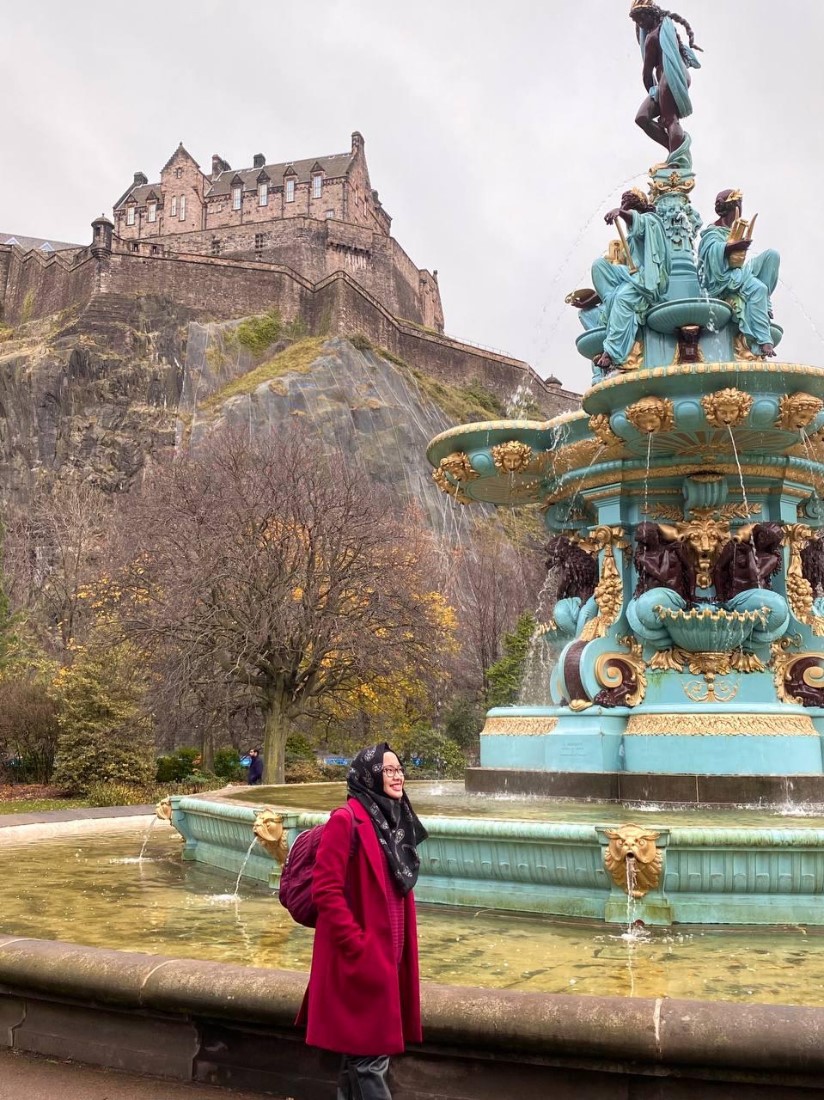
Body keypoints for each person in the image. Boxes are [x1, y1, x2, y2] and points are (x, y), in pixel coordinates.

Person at [297, 742, 428, 1099]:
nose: (397, 775)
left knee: (358, 1060)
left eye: (399, 769)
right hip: (360, 960)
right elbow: (326, 891)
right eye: (388, 770)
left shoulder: (394, 821)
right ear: (368, 774)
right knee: (370, 1061)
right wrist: (358, 945)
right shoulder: (347, 820)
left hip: (389, 957)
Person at [592, 189, 671, 370]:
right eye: (622, 202)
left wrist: (621, 213)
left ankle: (611, 353)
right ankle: (611, 301)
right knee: (599, 266)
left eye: (626, 202)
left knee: (623, 298)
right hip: (632, 274)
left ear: (636, 205)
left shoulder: (652, 222)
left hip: (648, 279)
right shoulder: (632, 233)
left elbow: (640, 223)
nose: (622, 205)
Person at [698, 189, 780, 358]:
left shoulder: (732, 229)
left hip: (738, 272)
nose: (740, 210)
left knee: (772, 256)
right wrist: (734, 247)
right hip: (723, 279)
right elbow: (709, 254)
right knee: (758, 289)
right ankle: (764, 341)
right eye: (738, 206)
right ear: (730, 208)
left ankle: (765, 303)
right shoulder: (712, 232)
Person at [629, 0, 702, 153]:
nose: (641, 24)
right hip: (677, 75)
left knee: (669, 118)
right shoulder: (667, 29)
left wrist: (653, 91)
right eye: (637, 21)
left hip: (668, 78)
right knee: (642, 118)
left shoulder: (652, 37)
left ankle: (676, 161)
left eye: (642, 18)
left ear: (652, 14)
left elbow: (647, 74)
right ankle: (676, 152)